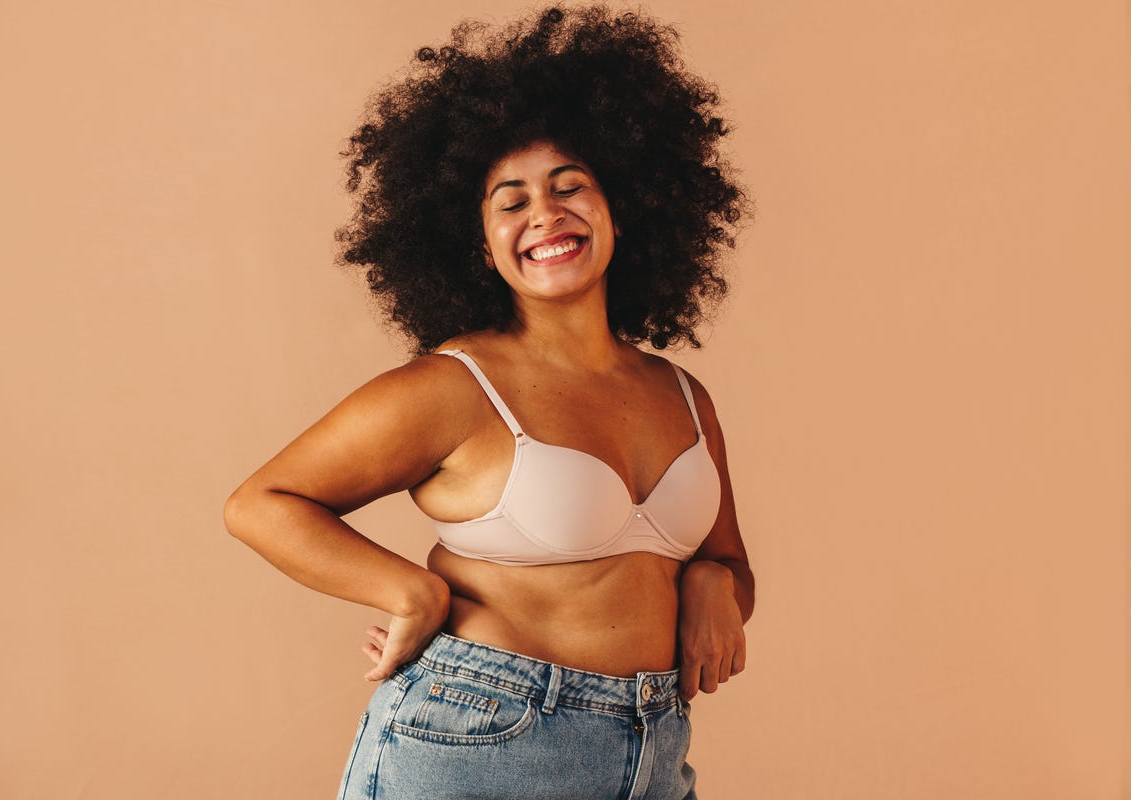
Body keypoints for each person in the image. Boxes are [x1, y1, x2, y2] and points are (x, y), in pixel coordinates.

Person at [223, 5, 755, 798]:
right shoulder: (455, 388)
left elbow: (730, 565)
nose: (545, 213)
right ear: (476, 243)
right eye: (512, 201)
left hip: (650, 747)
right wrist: (413, 590)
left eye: (570, 187)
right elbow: (261, 503)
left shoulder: (680, 393)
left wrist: (716, 582)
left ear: (622, 208)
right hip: (483, 737)